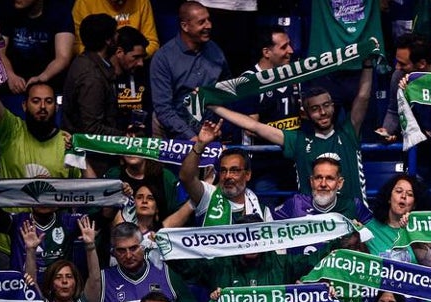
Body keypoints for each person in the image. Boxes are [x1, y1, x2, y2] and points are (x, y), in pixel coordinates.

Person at [211, 73, 375, 203]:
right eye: (316, 108)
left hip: (355, 220)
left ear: (333, 105)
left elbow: (363, 96)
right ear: (305, 113)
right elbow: (254, 126)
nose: (323, 112)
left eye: (326, 105)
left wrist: (368, 65)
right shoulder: (298, 140)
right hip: (316, 224)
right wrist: (213, 105)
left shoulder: (348, 132)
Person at [83, 220, 193, 302]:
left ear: (143, 246)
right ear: (113, 253)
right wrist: (90, 247)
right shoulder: (103, 279)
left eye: (133, 248)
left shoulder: (165, 272)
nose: (128, 255)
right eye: (121, 250)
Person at [150, 1, 228, 139]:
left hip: (210, 132)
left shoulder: (215, 51)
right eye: (201, 22)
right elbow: (163, 109)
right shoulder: (163, 58)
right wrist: (191, 137)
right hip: (174, 134)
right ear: (185, 26)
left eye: (209, 20)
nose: (209, 25)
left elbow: (227, 91)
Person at [62, 17, 146, 135]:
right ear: (108, 40)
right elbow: (92, 129)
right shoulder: (92, 77)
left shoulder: (86, 61)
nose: (118, 37)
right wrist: (125, 137)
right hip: (89, 151)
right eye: (115, 33)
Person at [0, 0, 74, 97]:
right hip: (12, 82)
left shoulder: (60, 13)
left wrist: (42, 77)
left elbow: (63, 57)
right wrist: (9, 75)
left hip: (49, 84)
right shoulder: (7, 9)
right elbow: (0, 51)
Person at [0, 80, 73, 179]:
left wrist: (79, 151)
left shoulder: (66, 143)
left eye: (49, 101)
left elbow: (90, 189)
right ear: (24, 106)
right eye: (36, 101)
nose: (42, 106)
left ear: (56, 107)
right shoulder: (11, 129)